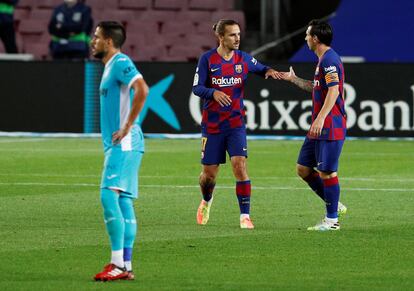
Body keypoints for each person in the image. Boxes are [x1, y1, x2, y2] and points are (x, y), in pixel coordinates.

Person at [192, 19, 282, 229]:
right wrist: (213, 92)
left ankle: (245, 216)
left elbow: (261, 68)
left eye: (239, 34)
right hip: (213, 126)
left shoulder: (243, 59)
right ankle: (206, 200)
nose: (237, 38)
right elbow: (197, 88)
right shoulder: (207, 60)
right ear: (221, 37)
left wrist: (270, 72)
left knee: (239, 166)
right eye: (232, 35)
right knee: (209, 175)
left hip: (235, 124)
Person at [90, 21, 149, 281]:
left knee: (107, 196)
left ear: (109, 41)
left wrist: (126, 125)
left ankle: (117, 264)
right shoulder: (109, 67)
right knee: (123, 200)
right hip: (126, 143)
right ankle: (126, 264)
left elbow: (142, 88)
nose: (93, 41)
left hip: (123, 143)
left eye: (97, 37)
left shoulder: (121, 61)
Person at [280, 19, 347, 231]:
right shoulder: (322, 61)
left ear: (315, 38)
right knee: (303, 169)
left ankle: (332, 221)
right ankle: (333, 203)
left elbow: (334, 91)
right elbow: (317, 88)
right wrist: (294, 79)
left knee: (327, 172)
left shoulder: (330, 60)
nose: (305, 38)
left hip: (329, 125)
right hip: (319, 126)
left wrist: (320, 118)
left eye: (308, 35)